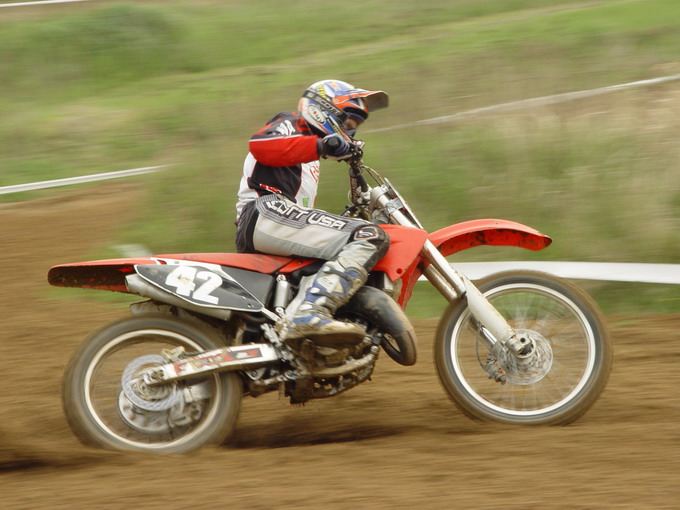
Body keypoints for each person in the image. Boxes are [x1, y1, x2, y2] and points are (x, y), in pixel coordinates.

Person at [235, 79, 390, 346]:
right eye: (348, 124)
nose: (350, 133)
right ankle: (309, 314)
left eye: (354, 129)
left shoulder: (310, 156)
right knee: (367, 236)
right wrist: (322, 146)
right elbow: (259, 145)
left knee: (344, 248)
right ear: (325, 110)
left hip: (278, 220)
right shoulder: (292, 124)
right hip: (264, 212)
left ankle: (305, 325)